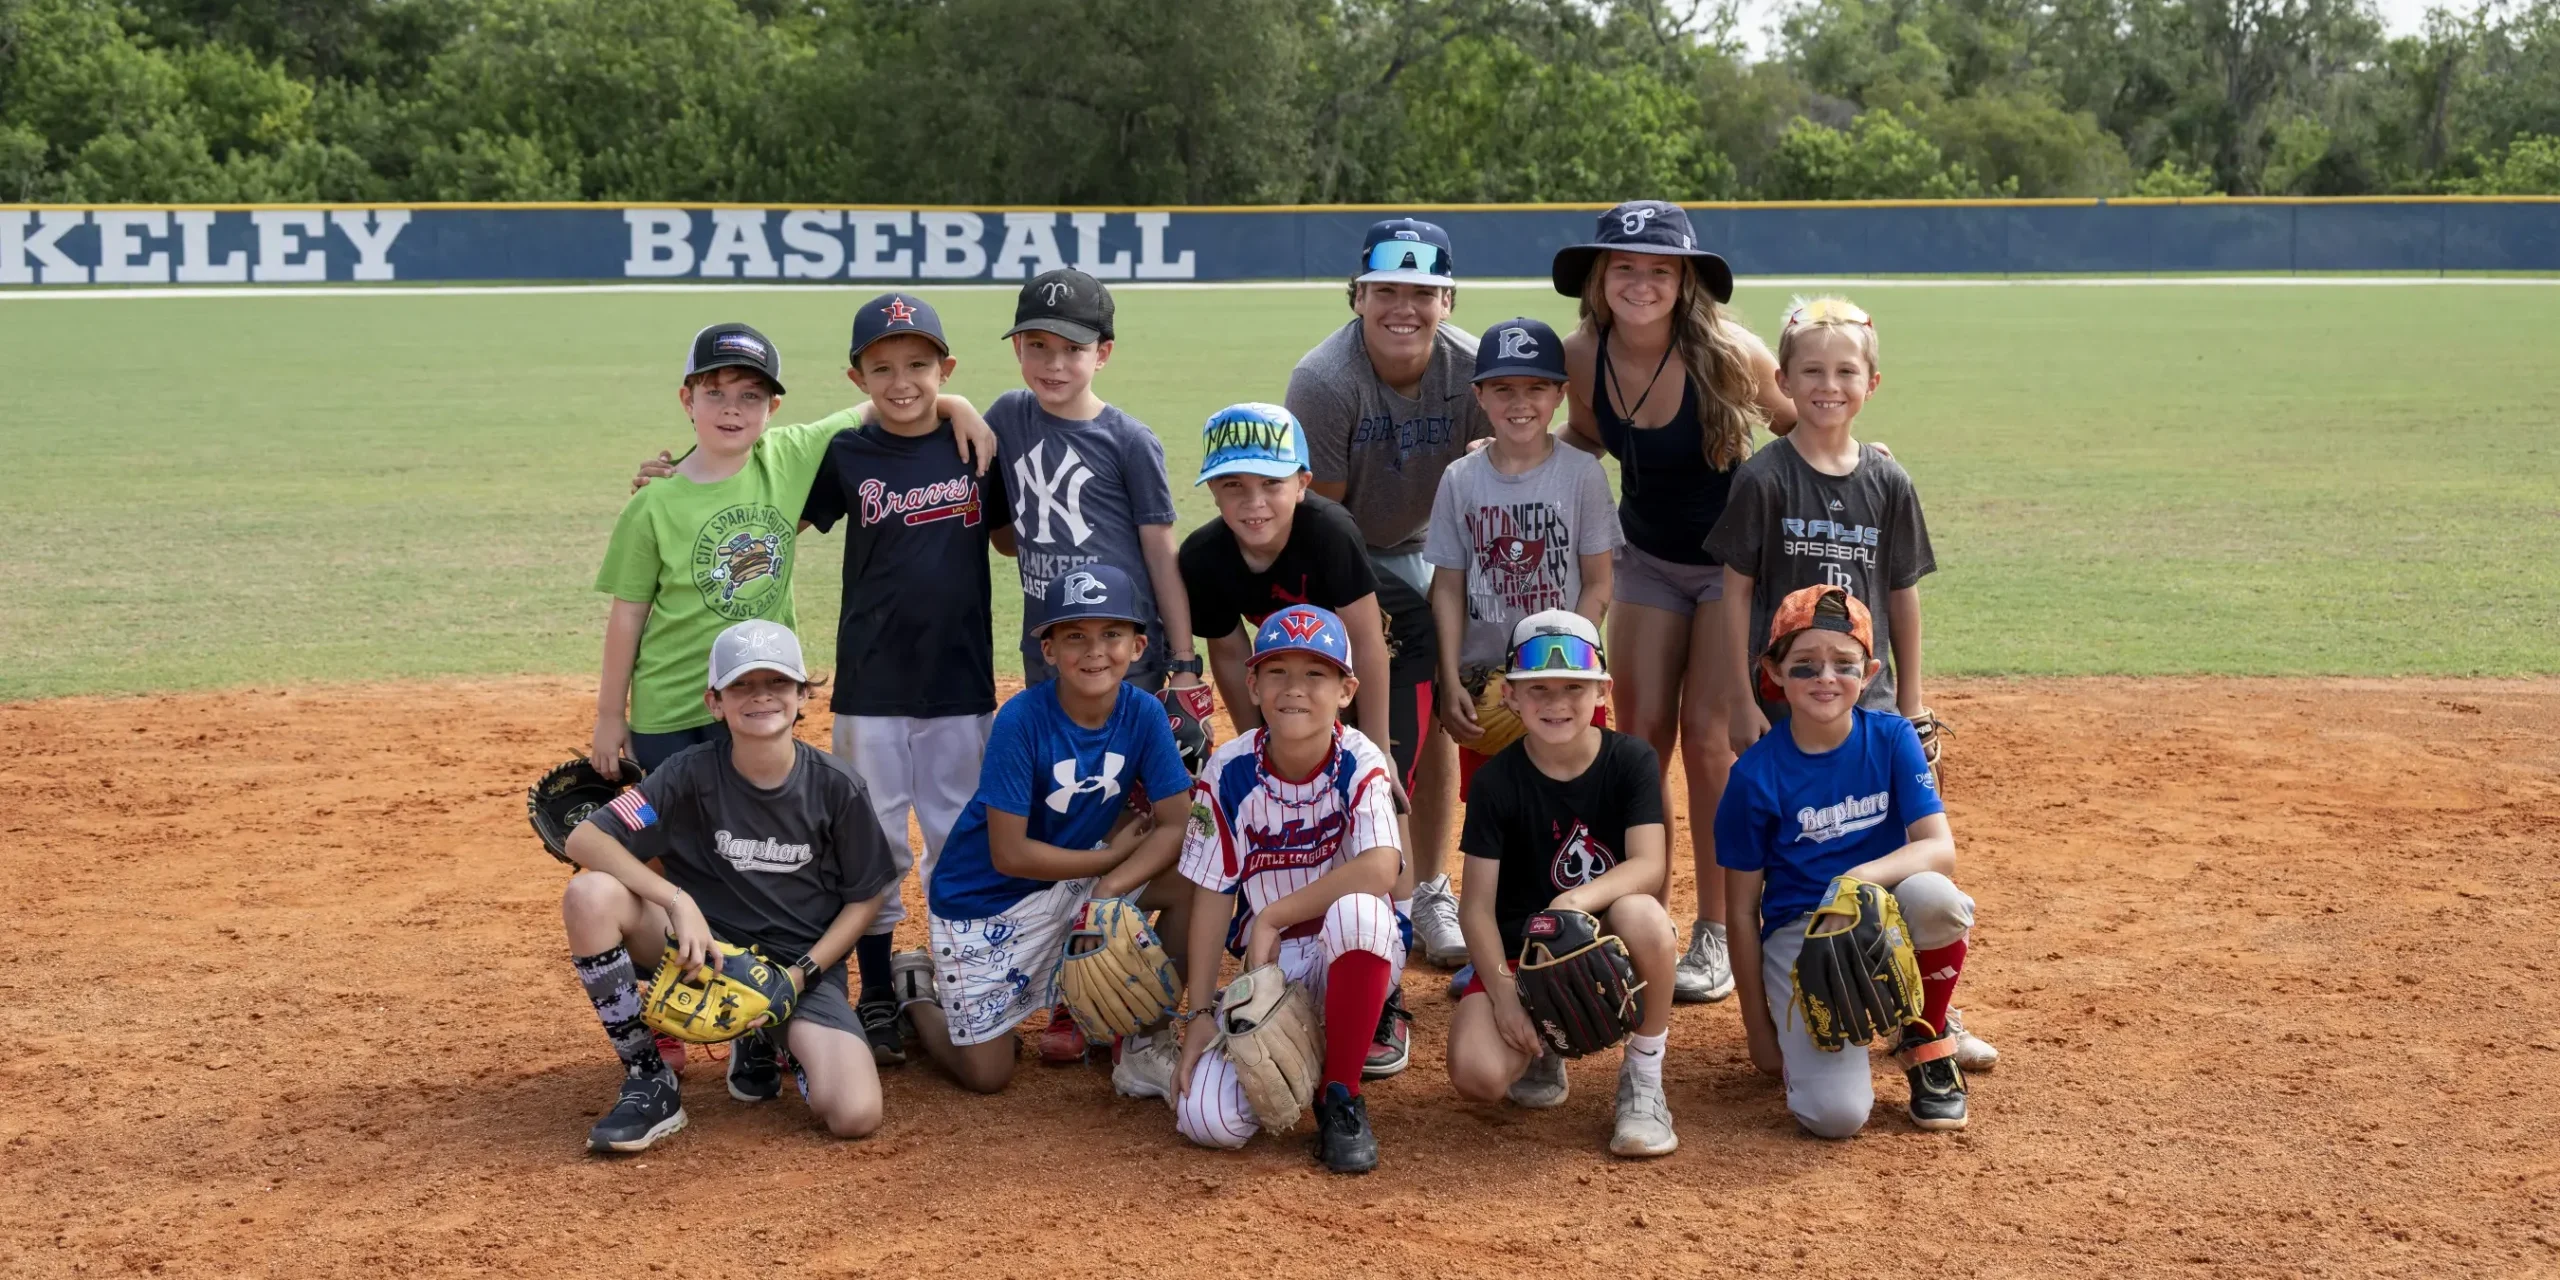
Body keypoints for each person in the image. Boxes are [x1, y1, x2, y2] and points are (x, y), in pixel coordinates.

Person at [1703, 298, 1995, 1070]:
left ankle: (1926, 1013)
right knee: (1797, 847)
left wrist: (1912, 701)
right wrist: (1739, 696)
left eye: (1844, 372)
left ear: (1871, 383)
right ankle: (1795, 983)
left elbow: (1902, 593)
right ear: (1784, 380)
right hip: (1785, 699)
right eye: (1811, 371)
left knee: (1899, 854)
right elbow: (1734, 591)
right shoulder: (1765, 479)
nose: (1828, 386)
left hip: (1868, 697)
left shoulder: (1887, 480)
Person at [1553, 200, 1795, 1008]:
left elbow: (1797, 425)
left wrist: (1859, 460)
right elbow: (1590, 435)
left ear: (1686, 281)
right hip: (1648, 561)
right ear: (1600, 278)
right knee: (1640, 740)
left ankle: (1718, 930)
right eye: (1624, 267)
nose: (1641, 283)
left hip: (1733, 571)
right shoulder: (1582, 355)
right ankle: (1643, 918)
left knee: (1711, 742)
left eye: (1660, 270)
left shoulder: (1729, 353)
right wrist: (1525, 450)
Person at [557, 620, 901, 1153]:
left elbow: (866, 896)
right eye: (741, 685)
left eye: (778, 682)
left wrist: (799, 976)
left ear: (802, 695)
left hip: (794, 968)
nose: (761, 696)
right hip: (702, 953)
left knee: (854, 1114)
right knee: (590, 895)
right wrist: (676, 900)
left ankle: (769, 1037)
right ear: (715, 703)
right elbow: (585, 837)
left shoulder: (837, 787)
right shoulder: (685, 775)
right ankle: (650, 1078)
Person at [795, 292, 1015, 1070]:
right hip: (871, 683)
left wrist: (966, 411)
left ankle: (961, 974)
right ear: (856, 378)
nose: (901, 382)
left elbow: (1011, 542)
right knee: (876, 840)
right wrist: (674, 474)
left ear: (945, 368)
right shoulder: (847, 455)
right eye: (881, 368)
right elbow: (774, 512)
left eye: (918, 365)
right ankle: (880, 991)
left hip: (959, 679)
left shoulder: (976, 449)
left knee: (957, 836)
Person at [1176, 402, 1426, 1076]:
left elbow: (1368, 641)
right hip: (1291, 665)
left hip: (1385, 651)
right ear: (1212, 490)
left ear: (1304, 483)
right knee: (1297, 780)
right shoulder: (1203, 555)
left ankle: (1392, 977)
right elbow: (1231, 653)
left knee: (1384, 798)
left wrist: (1380, 747)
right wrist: (1262, 743)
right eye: (1233, 486)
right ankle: (1309, 940)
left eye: (1271, 484)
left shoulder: (1328, 530)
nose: (1253, 502)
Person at [896, 565, 1196, 1098]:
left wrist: (1106, 892)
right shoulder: (1022, 719)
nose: (1094, 651)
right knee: (987, 1075)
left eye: (1111, 634)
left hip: (1075, 879)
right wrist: (1107, 864)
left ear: (1138, 646)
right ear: (1049, 650)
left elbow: (1176, 823)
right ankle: (916, 991)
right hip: (987, 901)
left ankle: (1146, 1045)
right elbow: (1009, 854)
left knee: (1192, 879)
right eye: (1075, 636)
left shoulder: (1144, 714)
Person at [1285, 217, 1487, 975]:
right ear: (1358, 296)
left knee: (1437, 709)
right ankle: (1334, 873)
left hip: (1437, 546)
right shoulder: (1325, 381)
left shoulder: (1475, 370)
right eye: (1386, 291)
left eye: (1423, 293)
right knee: (1341, 708)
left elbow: (1491, 489)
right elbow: (1324, 522)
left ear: (1447, 300)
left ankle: (1428, 887)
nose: (1405, 308)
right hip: (1343, 545)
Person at [1716, 586, 1977, 1136]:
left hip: (1884, 910)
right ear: (1774, 672)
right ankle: (1848, 1031)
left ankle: (1925, 1036)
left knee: (1936, 898)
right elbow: (1739, 912)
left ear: (1870, 671)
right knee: (1835, 1117)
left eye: (1844, 664)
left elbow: (1939, 849)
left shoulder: (1893, 737)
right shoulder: (1753, 777)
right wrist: (1758, 1029)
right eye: (1805, 666)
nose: (1825, 678)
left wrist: (1854, 880)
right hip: (1802, 934)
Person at [1172, 604, 1406, 1174]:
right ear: (1252, 684)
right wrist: (1199, 1011)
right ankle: (1324, 1040)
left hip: (1352, 949)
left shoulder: (1360, 758)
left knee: (1359, 913)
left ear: (1346, 690)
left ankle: (1340, 1095)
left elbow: (1381, 867)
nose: (1294, 688)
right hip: (1270, 973)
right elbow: (1212, 893)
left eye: (1315, 674)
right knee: (1206, 1120)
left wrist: (1273, 915)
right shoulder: (1228, 770)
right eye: (1277, 671)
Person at [1443, 611, 1679, 1157]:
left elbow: (1649, 865)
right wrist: (1505, 994)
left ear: (1602, 691)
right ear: (1510, 696)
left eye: (1574, 687)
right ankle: (1545, 1042)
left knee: (1645, 916)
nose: (1557, 703)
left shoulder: (1631, 760)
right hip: (1522, 960)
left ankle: (1644, 1079)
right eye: (1538, 689)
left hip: (1608, 941)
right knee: (1478, 1075)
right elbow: (1475, 909)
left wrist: (1570, 903)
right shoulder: (1496, 781)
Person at [592, 323, 839, 777]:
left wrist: (955, 406)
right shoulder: (652, 503)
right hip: (669, 707)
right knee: (674, 819)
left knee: (756, 814)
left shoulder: (788, 456)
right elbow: (628, 613)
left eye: (751, 396)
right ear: (687, 400)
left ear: (773, 407)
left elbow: (877, 407)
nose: (732, 409)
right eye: (714, 393)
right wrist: (609, 715)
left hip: (756, 699)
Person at [1423, 317, 1619, 809]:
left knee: (1581, 810)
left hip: (1567, 676)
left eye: (1536, 387)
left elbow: (1598, 584)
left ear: (1561, 395)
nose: (1520, 402)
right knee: (1497, 813)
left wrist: (1564, 663)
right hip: (1488, 685)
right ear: (1479, 395)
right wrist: (1449, 677)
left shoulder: (1582, 474)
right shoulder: (1460, 479)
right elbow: (1447, 586)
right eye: (1503, 388)